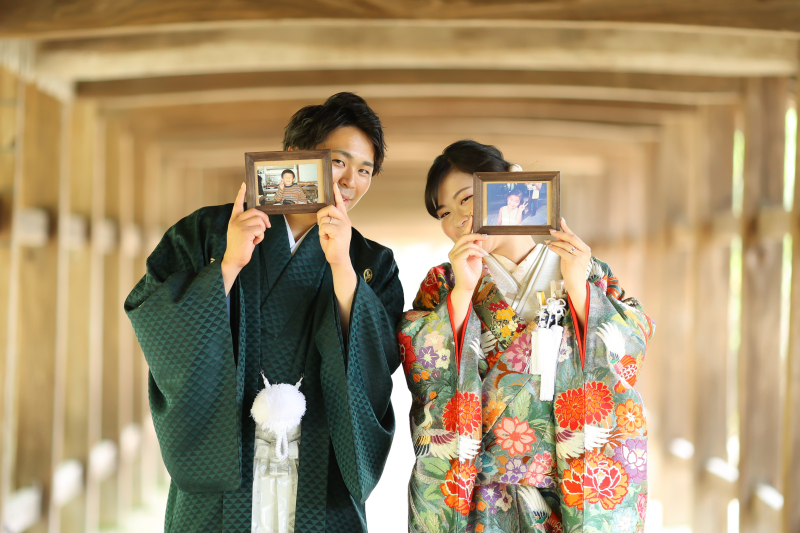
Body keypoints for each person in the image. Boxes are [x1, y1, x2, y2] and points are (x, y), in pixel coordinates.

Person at [125, 93, 403, 533]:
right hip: (225, 459)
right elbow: (157, 316)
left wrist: (342, 268)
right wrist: (230, 263)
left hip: (319, 464)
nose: (350, 180)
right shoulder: (206, 232)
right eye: (339, 162)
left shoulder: (372, 261)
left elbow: (378, 360)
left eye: (365, 170)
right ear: (294, 157)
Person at [397, 140, 654, 532]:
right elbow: (422, 364)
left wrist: (581, 292)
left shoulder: (581, 268)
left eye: (467, 200)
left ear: (509, 187)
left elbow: (630, 341)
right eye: (445, 213)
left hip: (570, 480)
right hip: (480, 488)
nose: (458, 221)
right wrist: (463, 295)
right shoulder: (445, 282)